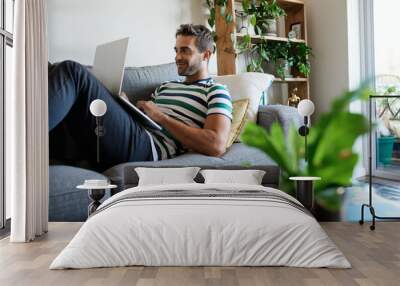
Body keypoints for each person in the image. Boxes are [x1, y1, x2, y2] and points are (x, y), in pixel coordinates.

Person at [48, 24, 232, 170]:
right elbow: (145, 120)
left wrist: (161, 117)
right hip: (130, 134)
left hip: (149, 148)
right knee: (53, 73)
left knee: (72, 71)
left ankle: (23, 137)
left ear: (206, 55)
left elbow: (216, 145)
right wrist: (125, 106)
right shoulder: (166, 86)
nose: (177, 56)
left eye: (185, 50)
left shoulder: (216, 91)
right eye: (176, 50)